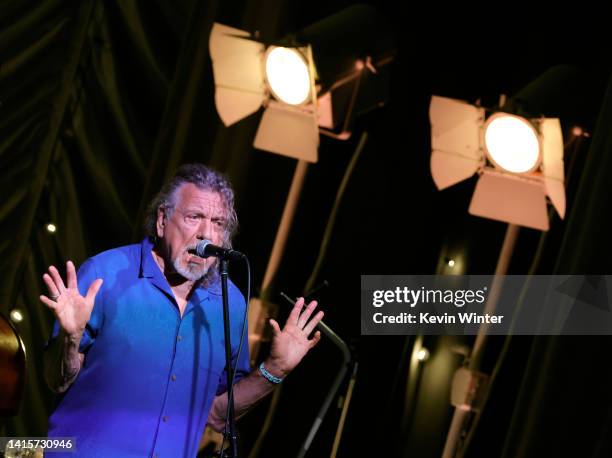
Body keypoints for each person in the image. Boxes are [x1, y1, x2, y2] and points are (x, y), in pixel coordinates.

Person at [40, 164, 323, 457]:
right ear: (163, 220)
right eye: (194, 217)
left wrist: (275, 369)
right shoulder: (105, 275)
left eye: (218, 223)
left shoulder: (231, 304)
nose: (206, 234)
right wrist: (70, 339)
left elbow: (215, 415)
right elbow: (55, 380)